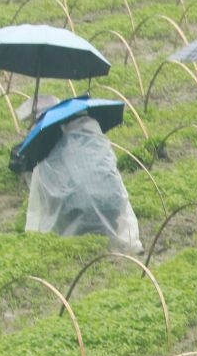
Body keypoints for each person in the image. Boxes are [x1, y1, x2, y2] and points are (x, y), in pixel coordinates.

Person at [22, 100, 142, 254]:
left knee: (73, 211)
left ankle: (85, 236)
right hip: (113, 202)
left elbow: (48, 199)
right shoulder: (92, 134)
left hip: (79, 211)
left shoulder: (48, 142)